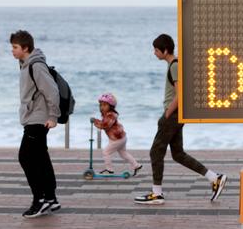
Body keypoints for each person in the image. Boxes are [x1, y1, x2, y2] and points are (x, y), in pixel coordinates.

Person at [134, 34, 227, 205]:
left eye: (156, 50)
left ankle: (157, 193)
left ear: (165, 50)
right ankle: (214, 178)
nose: (154, 53)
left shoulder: (174, 66)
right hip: (176, 115)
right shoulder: (173, 65)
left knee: (156, 152)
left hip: (173, 115)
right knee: (177, 154)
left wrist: (167, 113)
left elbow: (180, 93)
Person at [10, 30, 61, 218]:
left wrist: (53, 116)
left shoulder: (35, 66)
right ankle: (51, 198)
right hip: (34, 117)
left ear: (25, 48)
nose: (12, 51)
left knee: (26, 157)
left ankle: (39, 200)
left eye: (15, 47)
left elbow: (52, 91)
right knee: (40, 158)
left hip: (38, 120)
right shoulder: (25, 64)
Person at [91, 93, 143, 176]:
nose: (102, 107)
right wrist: (97, 121)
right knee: (123, 153)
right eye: (101, 105)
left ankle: (109, 169)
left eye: (105, 105)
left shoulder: (111, 115)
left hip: (117, 139)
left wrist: (95, 121)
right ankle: (136, 165)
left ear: (111, 106)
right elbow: (104, 123)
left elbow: (105, 125)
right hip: (120, 137)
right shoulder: (107, 114)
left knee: (106, 152)